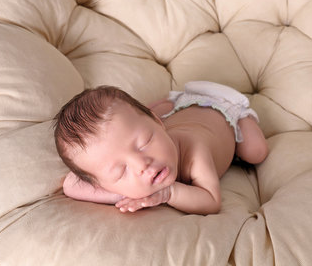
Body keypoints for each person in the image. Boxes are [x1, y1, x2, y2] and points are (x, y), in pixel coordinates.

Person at [54, 81, 268, 215]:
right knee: (143, 118)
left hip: (222, 112)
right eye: (121, 171)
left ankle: (241, 113)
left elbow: (211, 201)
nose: (142, 164)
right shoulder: (114, 172)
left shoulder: (196, 152)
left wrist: (167, 193)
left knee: (256, 152)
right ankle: (165, 108)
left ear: (157, 123)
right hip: (179, 115)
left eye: (145, 142)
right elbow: (71, 185)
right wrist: (123, 194)